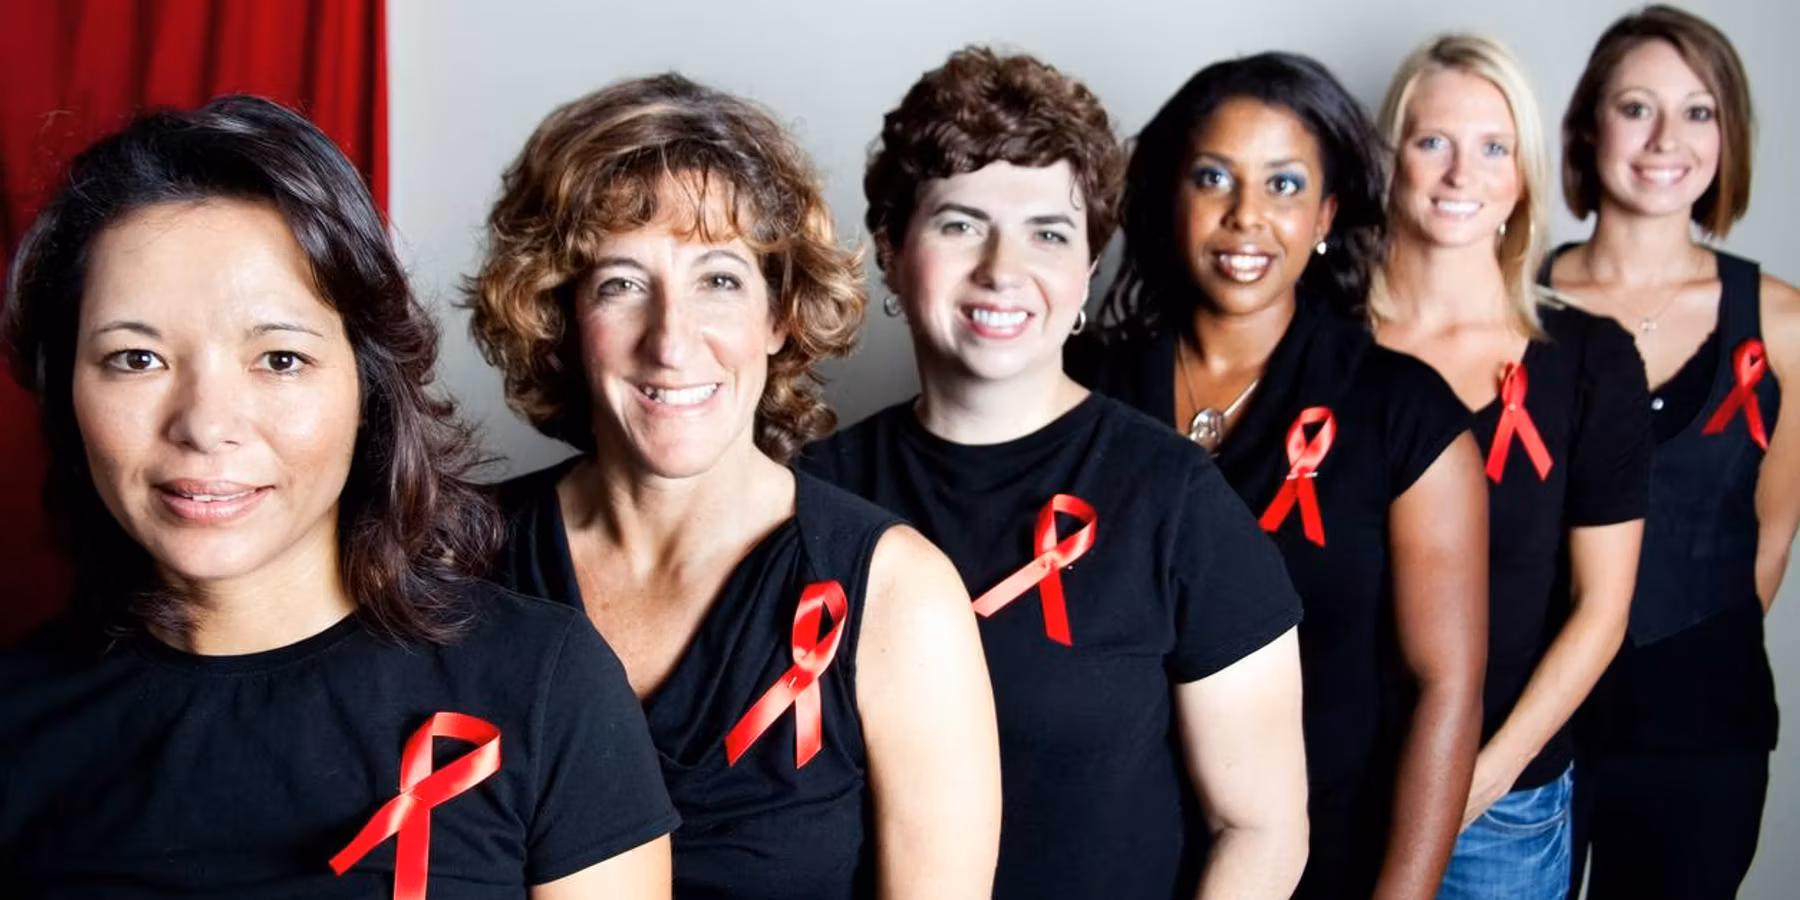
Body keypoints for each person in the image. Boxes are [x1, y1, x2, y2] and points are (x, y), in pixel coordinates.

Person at [0, 95, 676, 898]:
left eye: (280, 359)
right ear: (64, 388)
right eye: (137, 359)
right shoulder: (15, 721)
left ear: (369, 385)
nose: (206, 425)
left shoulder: (543, 683)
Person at [465, 74, 1002, 900]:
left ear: (780, 312)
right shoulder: (456, 559)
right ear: (563, 315)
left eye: (719, 279)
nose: (672, 342)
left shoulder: (900, 597)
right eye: (621, 283)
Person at [802, 47, 1308, 900]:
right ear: (891, 249)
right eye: (961, 223)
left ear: (1086, 271)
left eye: (1048, 232)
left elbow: (1261, 830)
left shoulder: (1174, 499)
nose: (1004, 268)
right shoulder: (808, 497)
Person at [1069, 52, 1489, 900]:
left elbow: (1446, 688)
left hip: (1326, 857)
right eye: (1214, 178)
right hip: (1107, 857)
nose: (1246, 217)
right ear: (1171, 199)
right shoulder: (1077, 381)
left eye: (1285, 186)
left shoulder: (1403, 411)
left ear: (1328, 211)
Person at [1367, 33, 1651, 900]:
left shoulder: (1590, 360)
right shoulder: (1319, 343)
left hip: (1501, 808)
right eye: (1433, 144)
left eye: (1493, 149)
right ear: (1390, 159)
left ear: (1523, 173)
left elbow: (1601, 610)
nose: (1463, 176)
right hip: (1328, 787)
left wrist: (1481, 778)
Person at [1546, 7, 1800, 897]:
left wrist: (1676, 661)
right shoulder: (1518, 306)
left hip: (1701, 731)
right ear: (1589, 126)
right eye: (1637, 107)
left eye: (1698, 112)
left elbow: (1771, 534)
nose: (1666, 140)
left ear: (1727, 135)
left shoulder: (1784, 322)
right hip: (1533, 724)